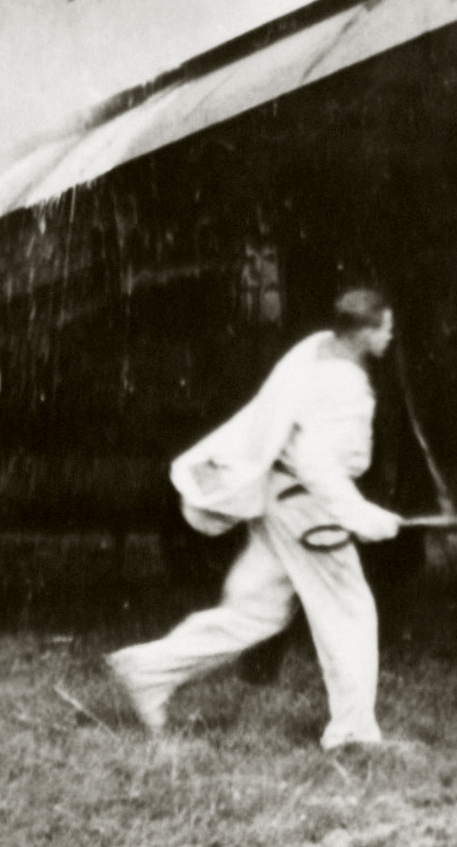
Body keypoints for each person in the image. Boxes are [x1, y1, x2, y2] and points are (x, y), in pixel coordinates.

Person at [107, 288, 410, 749]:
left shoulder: (313, 350)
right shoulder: (345, 385)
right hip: (309, 507)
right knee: (348, 611)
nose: (391, 336)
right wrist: (363, 516)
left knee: (256, 613)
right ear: (364, 331)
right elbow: (316, 462)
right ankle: (352, 732)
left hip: (277, 500)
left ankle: (148, 671)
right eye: (386, 327)